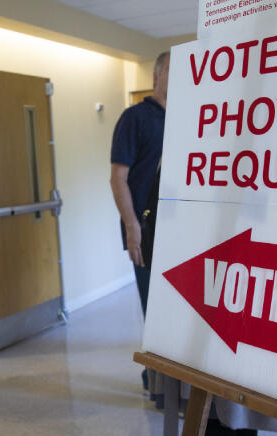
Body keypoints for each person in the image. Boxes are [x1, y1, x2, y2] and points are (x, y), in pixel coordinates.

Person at [110, 50, 169, 314]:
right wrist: (132, 226)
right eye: (172, 69)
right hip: (147, 229)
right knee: (156, 312)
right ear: (156, 76)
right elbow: (118, 179)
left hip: (181, 227)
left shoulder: (193, 117)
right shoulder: (135, 118)